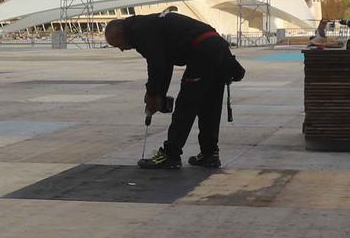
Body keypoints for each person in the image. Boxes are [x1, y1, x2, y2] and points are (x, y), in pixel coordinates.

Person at [104, 12, 245, 169]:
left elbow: (158, 65)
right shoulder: (145, 24)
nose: (121, 49)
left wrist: (152, 94)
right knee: (210, 106)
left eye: (118, 44)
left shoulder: (139, 32)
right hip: (216, 47)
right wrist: (159, 94)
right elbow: (165, 63)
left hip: (202, 51)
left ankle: (171, 155)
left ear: (122, 33)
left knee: (186, 105)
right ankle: (210, 154)